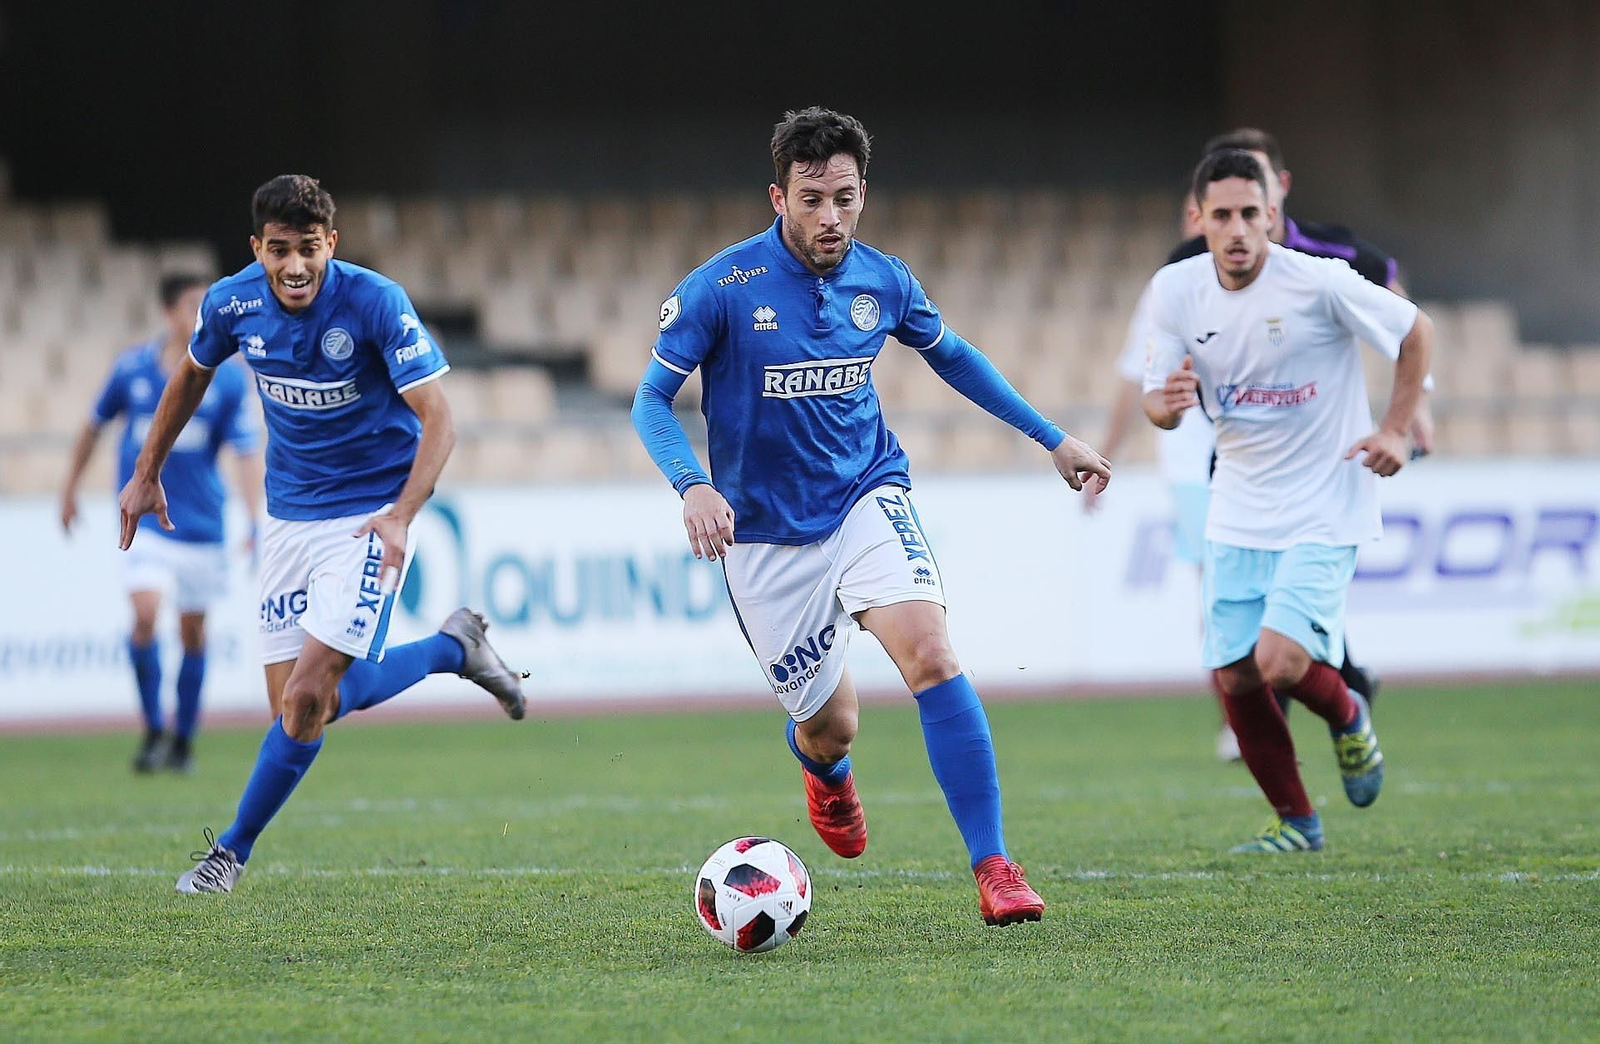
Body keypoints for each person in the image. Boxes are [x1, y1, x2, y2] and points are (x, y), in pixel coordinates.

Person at [632, 107, 1111, 925]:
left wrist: (1053, 438)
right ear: (778, 196)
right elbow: (650, 401)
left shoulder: (883, 279)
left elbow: (953, 358)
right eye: (812, 199)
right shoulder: (721, 288)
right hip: (765, 535)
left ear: (863, 193)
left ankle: (994, 866)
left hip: (866, 496)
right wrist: (692, 484)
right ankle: (823, 771)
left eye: (845, 199)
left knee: (929, 653)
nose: (831, 218)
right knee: (832, 727)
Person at [117, 175, 529, 893]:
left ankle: (229, 854)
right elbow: (190, 376)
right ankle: (450, 648)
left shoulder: (374, 303)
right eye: (280, 250)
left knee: (308, 696)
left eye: (309, 248)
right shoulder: (231, 302)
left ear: (330, 244)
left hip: (368, 515)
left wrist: (399, 516)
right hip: (287, 517)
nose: (295, 265)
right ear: (258, 249)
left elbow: (441, 420)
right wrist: (146, 469)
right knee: (307, 709)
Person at [1142, 149, 1432, 852]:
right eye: (1223, 215)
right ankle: (1298, 823)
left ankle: (1347, 714)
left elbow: (1415, 331)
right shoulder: (1175, 290)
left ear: (1272, 214)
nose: (1238, 229)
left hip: (1326, 499)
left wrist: (1395, 427)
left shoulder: (1320, 282)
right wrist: (1167, 406)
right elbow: (1157, 398)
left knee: (1278, 662)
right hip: (1237, 502)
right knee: (1237, 672)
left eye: (1251, 213)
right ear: (1198, 219)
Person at [61, 273, 264, 774]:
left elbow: (245, 452)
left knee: (193, 633)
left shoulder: (229, 377)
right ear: (168, 310)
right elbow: (93, 426)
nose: (200, 313)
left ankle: (183, 741)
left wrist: (253, 516)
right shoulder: (130, 368)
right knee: (146, 615)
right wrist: (69, 487)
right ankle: (154, 728)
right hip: (146, 519)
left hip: (201, 525)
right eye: (193, 304)